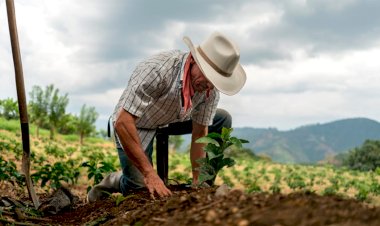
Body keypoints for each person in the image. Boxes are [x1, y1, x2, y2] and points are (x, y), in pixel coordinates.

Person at [87, 31, 246, 202]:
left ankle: (204, 184)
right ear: (193, 60)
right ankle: (115, 180)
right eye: (208, 78)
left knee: (222, 118)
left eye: (214, 82)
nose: (209, 87)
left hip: (172, 118)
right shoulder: (157, 70)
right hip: (136, 123)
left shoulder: (209, 90)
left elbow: (200, 133)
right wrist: (149, 174)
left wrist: (198, 182)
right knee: (140, 190)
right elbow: (123, 122)